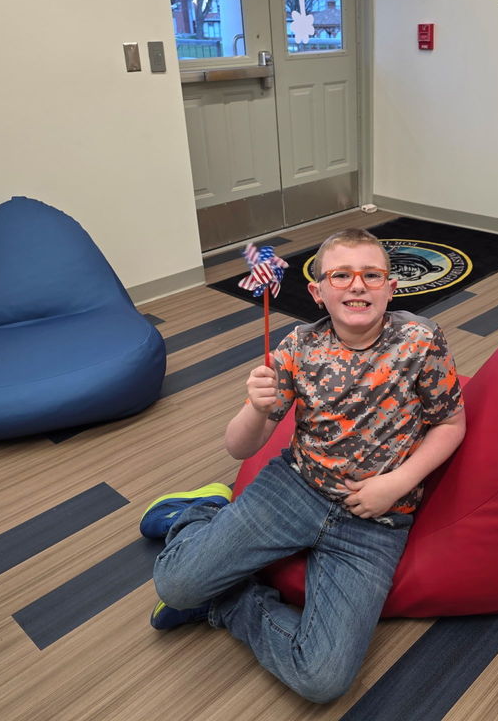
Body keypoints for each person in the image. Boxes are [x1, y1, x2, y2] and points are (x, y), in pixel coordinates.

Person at [141, 227, 466, 703]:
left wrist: (398, 482)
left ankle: (226, 606)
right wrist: (254, 407)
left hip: (374, 522)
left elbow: (451, 424)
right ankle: (205, 510)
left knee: (322, 680)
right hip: (294, 489)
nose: (357, 285)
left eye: (372, 275)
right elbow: (238, 448)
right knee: (174, 583)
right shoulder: (295, 347)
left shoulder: (421, 341)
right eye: (341, 275)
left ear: (391, 288)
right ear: (318, 291)